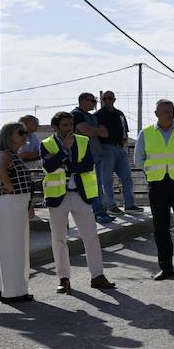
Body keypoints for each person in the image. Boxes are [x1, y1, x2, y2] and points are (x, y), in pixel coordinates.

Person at [41, 111, 117, 294]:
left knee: (91, 236)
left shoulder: (82, 141)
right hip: (57, 197)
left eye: (71, 124)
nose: (69, 128)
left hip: (80, 196)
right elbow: (48, 167)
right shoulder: (47, 144)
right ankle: (63, 278)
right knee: (59, 239)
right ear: (56, 127)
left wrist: (65, 163)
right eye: (65, 125)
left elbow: (87, 165)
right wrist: (64, 151)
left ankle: (97, 276)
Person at [135, 99, 174, 281]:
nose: (168, 115)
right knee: (160, 228)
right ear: (156, 114)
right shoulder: (146, 133)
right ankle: (166, 268)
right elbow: (138, 159)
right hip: (158, 185)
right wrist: (154, 170)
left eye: (171, 111)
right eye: (164, 112)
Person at [0, 121, 35, 303]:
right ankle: (14, 292)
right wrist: (8, 186)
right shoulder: (6, 154)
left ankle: (7, 289)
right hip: (9, 203)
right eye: (21, 132)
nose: (25, 135)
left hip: (16, 203)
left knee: (13, 248)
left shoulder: (14, 155)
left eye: (26, 132)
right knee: (14, 249)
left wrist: (29, 205)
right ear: (9, 136)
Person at [95, 91, 140, 212]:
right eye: (104, 99)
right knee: (107, 179)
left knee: (126, 177)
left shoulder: (119, 114)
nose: (107, 101)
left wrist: (124, 143)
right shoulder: (98, 115)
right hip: (106, 148)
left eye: (109, 98)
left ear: (114, 99)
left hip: (120, 148)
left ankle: (129, 205)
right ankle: (111, 206)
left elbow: (125, 130)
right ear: (102, 100)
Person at [72, 93, 113, 225]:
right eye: (92, 100)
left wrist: (94, 130)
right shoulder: (76, 114)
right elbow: (87, 131)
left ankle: (100, 211)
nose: (95, 102)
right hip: (86, 155)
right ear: (83, 101)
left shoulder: (91, 116)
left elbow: (105, 133)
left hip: (96, 153)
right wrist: (97, 131)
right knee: (92, 185)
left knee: (97, 184)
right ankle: (97, 212)